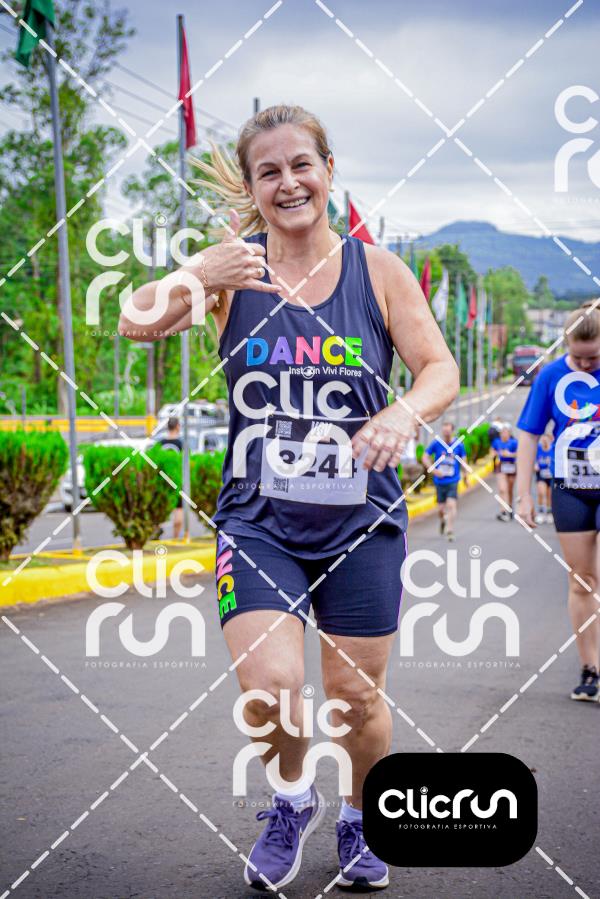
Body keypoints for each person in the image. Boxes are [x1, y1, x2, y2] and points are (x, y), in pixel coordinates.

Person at [119, 104, 459, 891]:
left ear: (328, 171)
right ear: (252, 188)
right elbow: (136, 322)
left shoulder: (379, 272)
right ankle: (293, 799)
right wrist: (197, 275)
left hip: (361, 521)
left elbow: (438, 368)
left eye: (301, 164)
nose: (288, 182)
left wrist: (403, 414)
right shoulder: (233, 273)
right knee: (270, 689)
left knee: (354, 697)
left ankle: (361, 815)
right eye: (268, 171)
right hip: (258, 519)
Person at [516, 300, 600, 703]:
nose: (584, 365)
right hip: (571, 489)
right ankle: (590, 668)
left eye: (593, 358)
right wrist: (523, 496)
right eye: (577, 357)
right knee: (582, 581)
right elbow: (528, 434)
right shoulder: (550, 375)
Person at [422, 421, 468, 541]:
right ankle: (443, 520)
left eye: (448, 431)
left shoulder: (458, 444)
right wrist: (433, 470)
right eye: (444, 431)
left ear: (452, 431)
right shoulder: (437, 443)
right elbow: (425, 457)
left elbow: (464, 460)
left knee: (451, 505)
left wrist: (466, 476)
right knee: (441, 509)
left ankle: (450, 530)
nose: (446, 433)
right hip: (439, 481)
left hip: (453, 480)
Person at [156, 416, 184, 539]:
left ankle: (156, 530)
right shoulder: (181, 444)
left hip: (162, 480)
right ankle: (175, 538)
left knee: (160, 507)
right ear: (177, 426)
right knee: (178, 509)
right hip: (177, 480)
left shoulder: (160, 443)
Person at [491, 424, 518, 521]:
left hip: (511, 466)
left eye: (506, 432)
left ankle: (509, 507)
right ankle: (503, 511)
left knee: (509, 489)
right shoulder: (496, 442)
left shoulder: (514, 442)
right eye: (502, 432)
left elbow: (519, 453)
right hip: (501, 466)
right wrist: (495, 454)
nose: (504, 434)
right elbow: (492, 451)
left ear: (509, 433)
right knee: (503, 489)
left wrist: (510, 454)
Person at [534, 433, 554, 524]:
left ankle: (549, 513)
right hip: (541, 475)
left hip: (551, 475)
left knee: (549, 494)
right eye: (543, 440)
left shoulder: (552, 449)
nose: (544, 442)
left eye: (546, 440)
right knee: (541, 493)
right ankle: (541, 512)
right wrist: (535, 465)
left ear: (550, 440)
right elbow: (534, 459)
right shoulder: (538, 448)